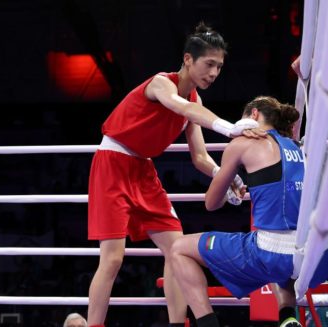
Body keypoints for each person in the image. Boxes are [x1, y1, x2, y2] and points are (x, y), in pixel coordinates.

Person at [87, 22, 264, 327]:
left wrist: (227, 175)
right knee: (113, 258)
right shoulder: (161, 84)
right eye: (209, 64)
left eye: (219, 67)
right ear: (187, 60)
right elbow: (179, 106)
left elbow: (199, 157)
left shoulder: (196, 102)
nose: (214, 73)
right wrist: (227, 127)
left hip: (143, 170)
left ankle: (176, 323)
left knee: (178, 249)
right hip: (112, 162)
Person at [170, 96, 328, 327]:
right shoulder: (299, 147)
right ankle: (287, 318)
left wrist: (229, 188)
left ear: (254, 115)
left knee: (178, 248)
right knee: (287, 268)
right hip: (321, 257)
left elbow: (211, 203)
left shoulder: (242, 144)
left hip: (272, 254)